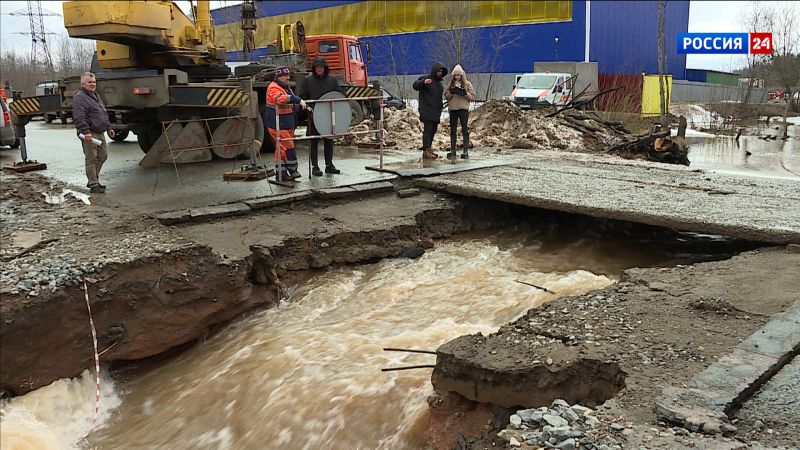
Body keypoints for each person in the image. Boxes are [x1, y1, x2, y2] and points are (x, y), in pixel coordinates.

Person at [298, 57, 342, 176]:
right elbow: (302, 96)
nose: (319, 69)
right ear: (314, 68)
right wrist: (307, 106)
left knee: (329, 140)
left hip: (328, 114)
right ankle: (315, 166)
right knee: (314, 141)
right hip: (314, 114)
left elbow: (339, 95)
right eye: (317, 67)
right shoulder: (308, 81)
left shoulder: (332, 80)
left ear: (325, 68)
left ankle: (329, 165)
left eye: (321, 67)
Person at [72, 72, 114, 194]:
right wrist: (86, 132)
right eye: (89, 82)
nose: (92, 84)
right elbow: (79, 116)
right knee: (91, 158)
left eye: (94, 82)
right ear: (83, 84)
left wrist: (109, 127)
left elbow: (103, 112)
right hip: (89, 132)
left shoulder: (95, 95)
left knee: (103, 155)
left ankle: (93, 179)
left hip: (99, 131)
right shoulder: (80, 97)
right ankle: (94, 183)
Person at [265, 66, 309, 182]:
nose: (288, 78)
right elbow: (280, 99)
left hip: (286, 123)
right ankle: (293, 169)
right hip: (277, 124)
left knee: (281, 149)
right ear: (280, 76)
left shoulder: (284, 86)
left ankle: (281, 174)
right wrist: (296, 99)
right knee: (288, 146)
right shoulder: (273, 87)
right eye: (286, 75)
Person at [412, 62, 448, 159]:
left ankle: (429, 148)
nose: (440, 73)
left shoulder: (439, 84)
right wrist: (423, 82)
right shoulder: (426, 79)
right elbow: (415, 86)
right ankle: (426, 150)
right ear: (435, 70)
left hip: (436, 111)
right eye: (439, 71)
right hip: (426, 109)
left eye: (442, 72)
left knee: (433, 130)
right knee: (427, 130)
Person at [445, 64, 475, 159]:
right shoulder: (450, 84)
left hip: (463, 109)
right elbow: (446, 96)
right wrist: (452, 93)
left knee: (464, 129)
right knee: (452, 130)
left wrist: (464, 93)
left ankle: (465, 151)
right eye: (455, 75)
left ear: (462, 75)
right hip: (453, 109)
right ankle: (453, 150)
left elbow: (472, 97)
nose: (457, 77)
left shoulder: (467, 84)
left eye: (458, 75)